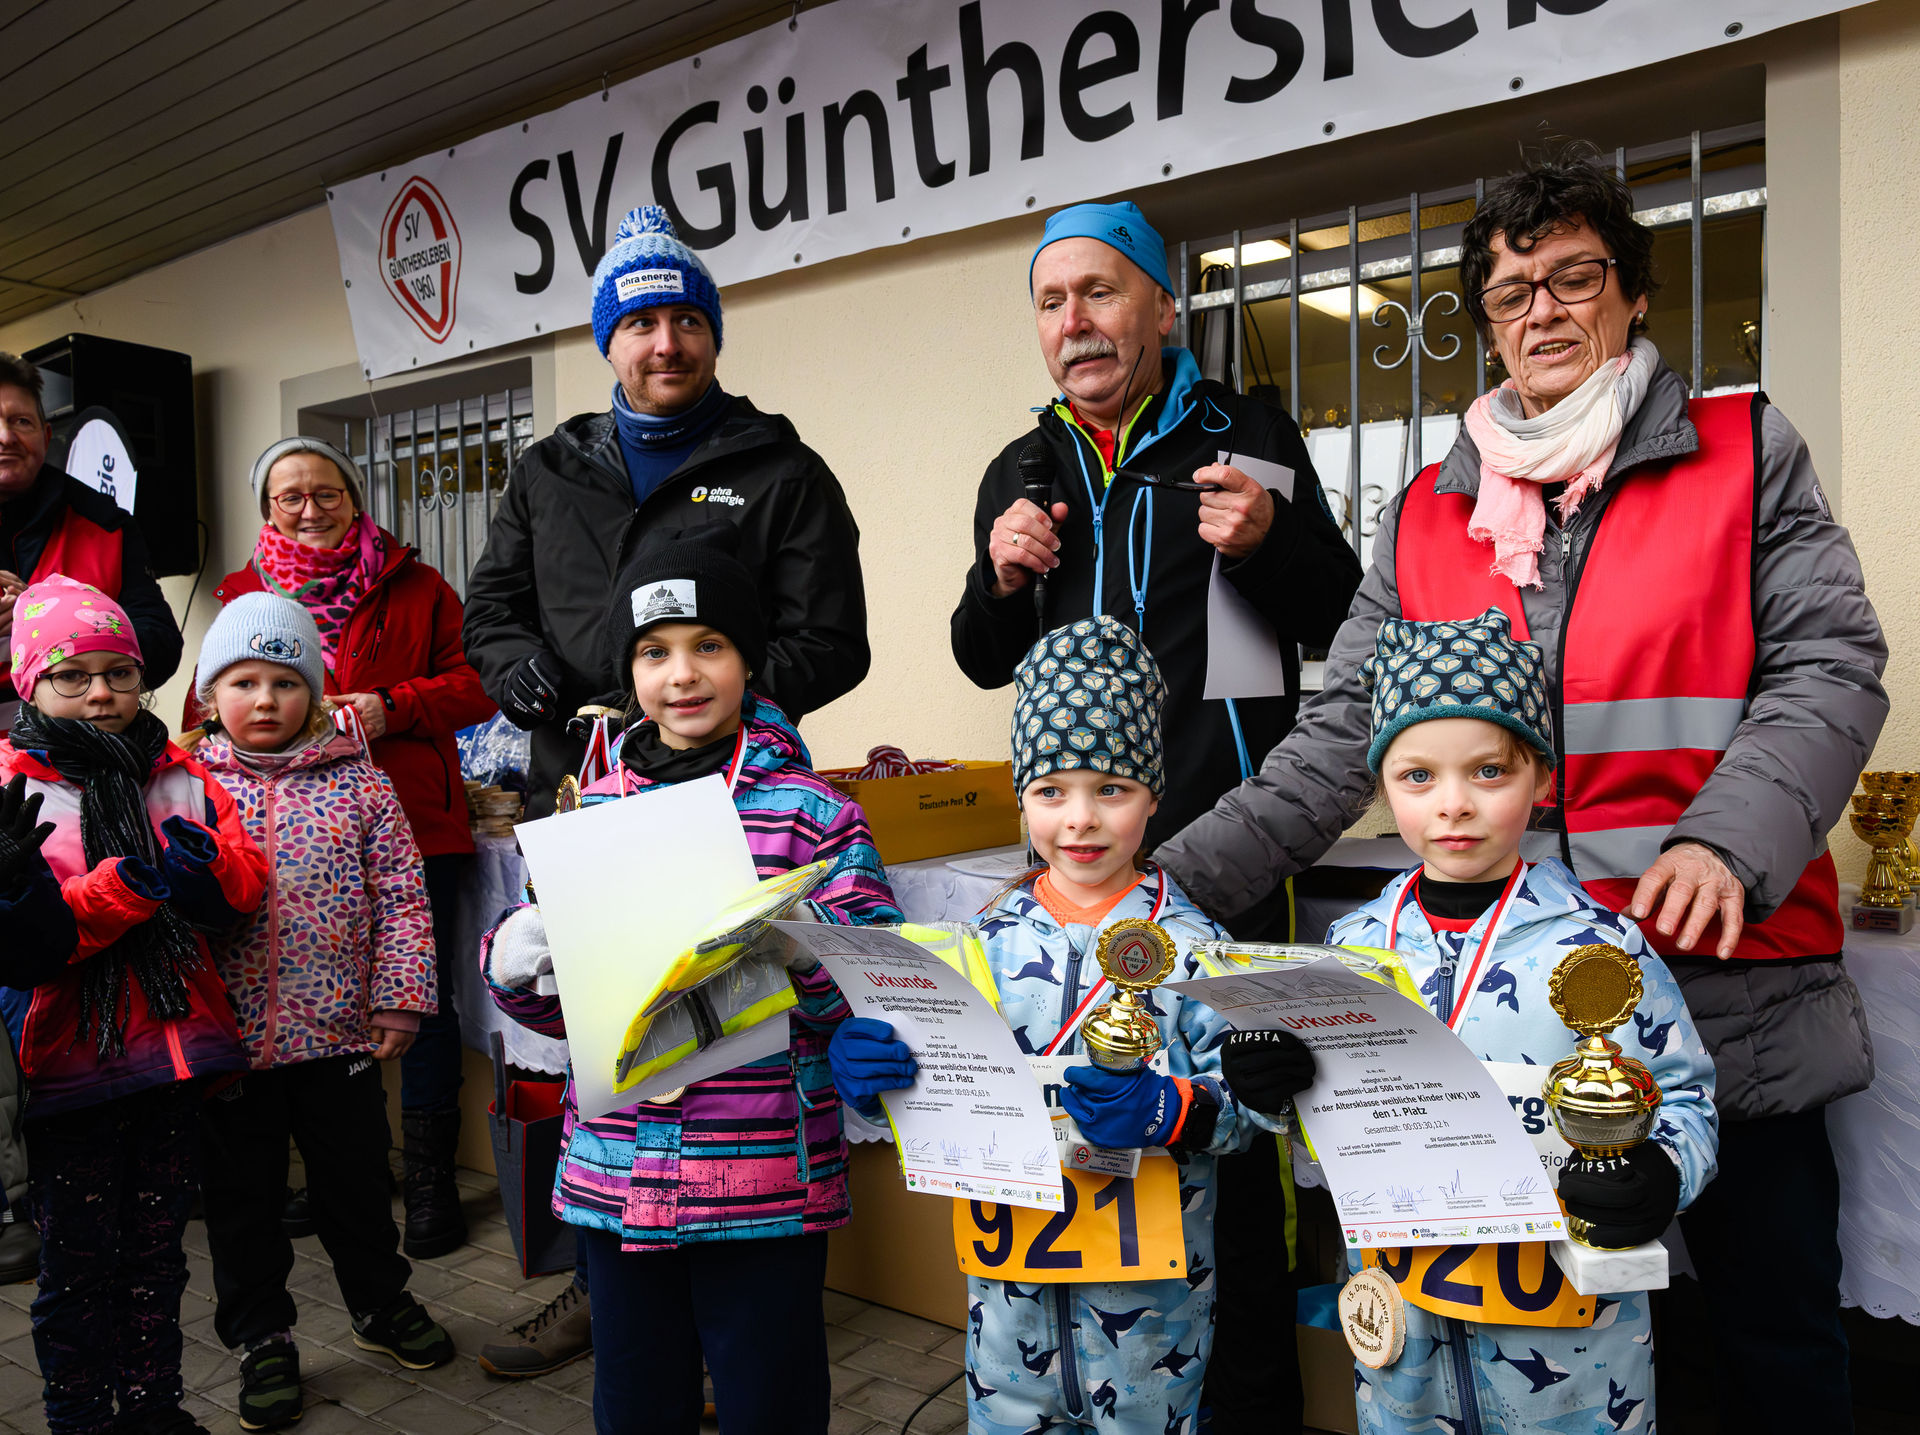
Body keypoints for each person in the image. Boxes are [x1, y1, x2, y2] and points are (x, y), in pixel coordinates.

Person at [1157, 144, 1885, 1431]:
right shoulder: (1429, 512)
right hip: (1510, 1030)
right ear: (1485, 322)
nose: (1542, 310)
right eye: (1509, 291)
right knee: (1547, 1337)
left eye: (1574, 278)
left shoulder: (1743, 451)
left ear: (1635, 293)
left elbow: (1830, 663)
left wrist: (1725, 842)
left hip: (1735, 993)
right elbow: (1340, 736)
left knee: (1769, 1336)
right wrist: (1162, 883)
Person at [949, 199, 1362, 1432]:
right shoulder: (1020, 468)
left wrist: (1273, 540)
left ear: (1163, 306)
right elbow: (979, 655)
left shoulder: (1249, 435)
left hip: (1228, 863)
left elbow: (1342, 615)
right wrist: (997, 578)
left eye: (1101, 291)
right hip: (1082, 874)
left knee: (1238, 1154)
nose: (1075, 321)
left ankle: (1247, 1412)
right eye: (1051, 300)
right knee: (1080, 1114)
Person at [480, 532, 899, 1433]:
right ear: (628, 669)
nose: (683, 674)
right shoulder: (591, 809)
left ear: (750, 657)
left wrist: (806, 952)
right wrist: (517, 960)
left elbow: (876, 984)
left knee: (771, 1402)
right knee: (637, 1401)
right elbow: (553, 1012)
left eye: (710, 644)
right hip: (618, 1172)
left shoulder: (814, 815)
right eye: (654, 651)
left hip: (762, 1182)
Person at [830, 616, 1252, 1435]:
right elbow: (942, 1091)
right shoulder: (976, 944)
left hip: (1152, 1326)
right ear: (1022, 796)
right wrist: (877, 1081)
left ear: (1154, 793)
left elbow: (1252, 1106)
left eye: (1112, 788)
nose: (1080, 819)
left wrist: (1176, 1109)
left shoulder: (1199, 947)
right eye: (1051, 791)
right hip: (1007, 1321)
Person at [1306, 609, 1716, 1431]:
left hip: (1572, 1363)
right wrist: (1280, 1093)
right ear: (1383, 785)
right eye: (1418, 776)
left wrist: (1662, 1171)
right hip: (1403, 1343)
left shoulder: (1601, 948)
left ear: (1541, 778)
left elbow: (1684, 1097)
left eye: (1489, 770)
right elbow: (1323, 1131)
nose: (1453, 804)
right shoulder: (1352, 948)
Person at [188, 436, 497, 1262]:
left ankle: (428, 1176)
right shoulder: (241, 594)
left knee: (419, 999)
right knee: (284, 989)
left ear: (355, 499)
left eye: (327, 492)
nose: (310, 508)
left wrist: (396, 705)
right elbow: (200, 709)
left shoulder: (416, 585)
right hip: (272, 838)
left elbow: (477, 683)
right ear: (267, 509)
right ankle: (328, 1166)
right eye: (289, 496)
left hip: (410, 818)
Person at [464, 203, 870, 820]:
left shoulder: (784, 471)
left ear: (714, 338)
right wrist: (514, 668)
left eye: (687, 320)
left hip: (731, 793)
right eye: (640, 323)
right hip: (572, 792)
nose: (667, 345)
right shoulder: (547, 470)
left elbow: (831, 640)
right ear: (608, 343)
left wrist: (703, 700)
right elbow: (490, 611)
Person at [0, 576, 267, 1435]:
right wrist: (122, 890)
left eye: (119, 671)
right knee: (77, 1268)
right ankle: (80, 1416)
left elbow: (244, 885)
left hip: (173, 1060)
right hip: (70, 1069)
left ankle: (154, 1408)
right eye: (72, 674)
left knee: (156, 1256)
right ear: (28, 683)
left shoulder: (178, 773)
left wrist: (208, 870)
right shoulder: (13, 791)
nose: (101, 692)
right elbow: (32, 946)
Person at [189, 593, 456, 1431]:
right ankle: (261, 1336)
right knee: (243, 1202)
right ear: (209, 695)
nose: (265, 699)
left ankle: (380, 1302)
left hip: (338, 1036)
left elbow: (404, 899)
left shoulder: (362, 785)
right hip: (227, 1046)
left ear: (314, 692)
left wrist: (401, 998)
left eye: (285, 681)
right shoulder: (184, 787)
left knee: (356, 1186)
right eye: (243, 682)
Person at [0, 353, 182, 726]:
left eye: (21, 421)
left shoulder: (105, 522)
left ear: (45, 436)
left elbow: (162, 645)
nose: (5, 437)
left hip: (84, 751)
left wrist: (54, 619)